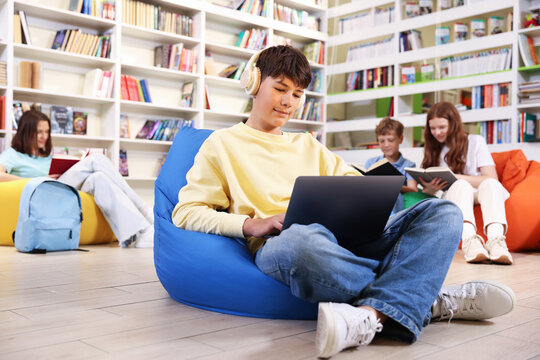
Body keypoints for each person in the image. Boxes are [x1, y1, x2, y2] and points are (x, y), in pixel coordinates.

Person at [171, 46, 515, 358]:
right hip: (284, 243)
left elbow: (354, 184)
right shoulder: (221, 144)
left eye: (297, 94)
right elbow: (185, 212)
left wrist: (372, 198)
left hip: (349, 240)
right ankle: (424, 299)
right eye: (279, 89)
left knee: (443, 212)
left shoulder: (307, 144)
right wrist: (248, 224)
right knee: (304, 242)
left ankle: (377, 312)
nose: (288, 102)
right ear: (254, 83)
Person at [0, 110, 153, 248]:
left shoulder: (48, 157)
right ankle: (144, 209)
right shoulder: (13, 155)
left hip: (62, 191)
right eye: (39, 132)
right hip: (42, 192)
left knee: (98, 178)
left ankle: (140, 233)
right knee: (96, 159)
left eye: (47, 131)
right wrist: (38, 178)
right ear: (25, 132)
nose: (44, 136)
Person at [420, 101, 513, 265]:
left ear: (453, 124)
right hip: (452, 195)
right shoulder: (432, 149)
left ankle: (497, 242)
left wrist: (456, 176)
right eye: (433, 128)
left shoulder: (475, 141)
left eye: (442, 127)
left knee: (489, 185)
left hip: (478, 192)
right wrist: (429, 189)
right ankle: (471, 243)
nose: (437, 132)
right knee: (460, 186)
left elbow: (491, 178)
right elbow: (431, 190)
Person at [365, 117, 417, 214]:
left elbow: (413, 189)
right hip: (372, 198)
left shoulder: (409, 165)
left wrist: (393, 185)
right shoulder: (371, 162)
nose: (386, 145)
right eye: (382, 141)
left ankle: (389, 226)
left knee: (392, 194)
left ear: (400, 139)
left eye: (391, 140)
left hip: (393, 199)